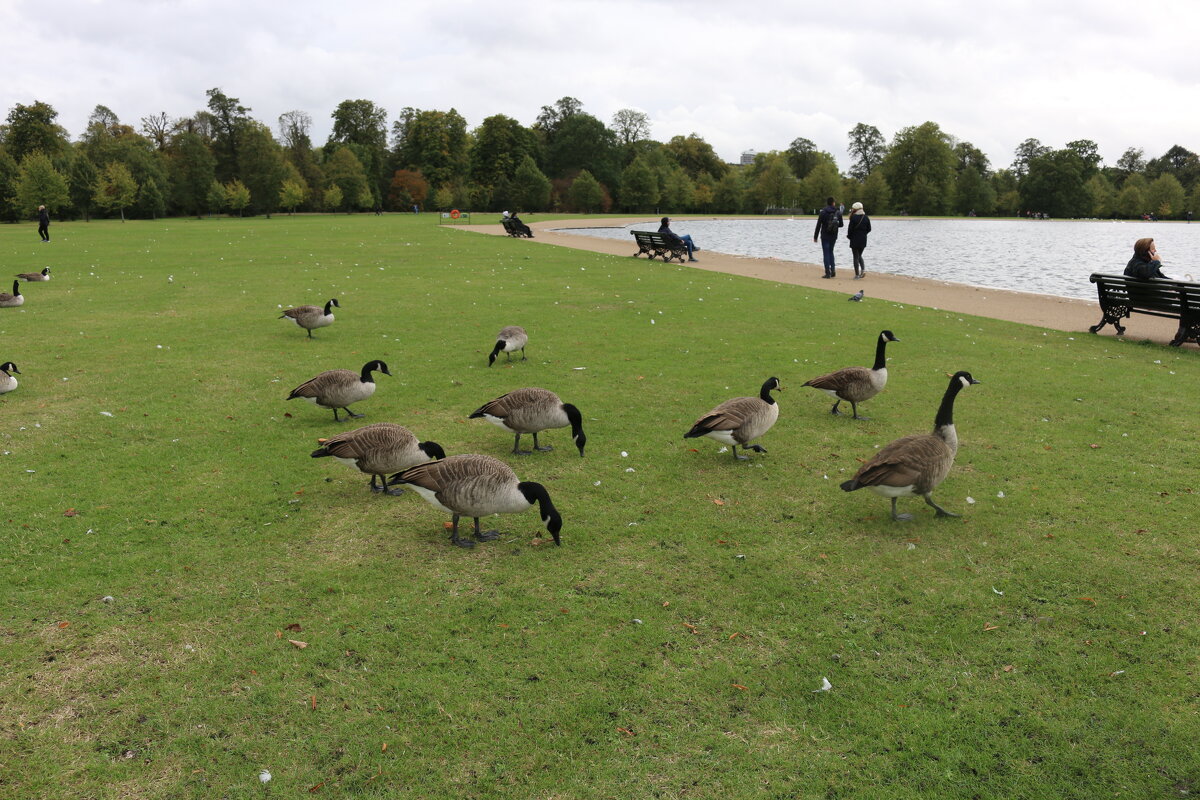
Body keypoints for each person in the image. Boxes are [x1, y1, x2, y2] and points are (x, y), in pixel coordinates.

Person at [813, 197, 842, 277]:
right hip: (834, 235)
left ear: (827, 203)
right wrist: (835, 224)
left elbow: (818, 225)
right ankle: (833, 270)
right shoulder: (838, 212)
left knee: (826, 253)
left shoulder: (823, 212)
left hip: (825, 235)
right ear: (833, 203)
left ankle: (827, 272)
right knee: (831, 251)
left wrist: (815, 236)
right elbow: (841, 225)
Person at [846, 202, 872, 279]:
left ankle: (857, 275)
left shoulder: (853, 217)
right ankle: (863, 270)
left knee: (855, 257)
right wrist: (864, 234)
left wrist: (849, 236)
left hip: (854, 239)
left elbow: (850, 229)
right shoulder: (866, 217)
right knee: (859, 255)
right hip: (863, 239)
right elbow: (869, 229)